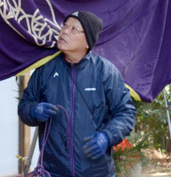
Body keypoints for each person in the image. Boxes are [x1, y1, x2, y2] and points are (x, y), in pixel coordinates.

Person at [18, 11, 136, 177]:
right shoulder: (45, 70)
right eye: (65, 26)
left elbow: (126, 113)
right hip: (53, 171)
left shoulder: (105, 72)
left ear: (88, 41)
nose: (65, 31)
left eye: (74, 29)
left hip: (97, 173)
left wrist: (107, 136)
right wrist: (34, 110)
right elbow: (24, 106)